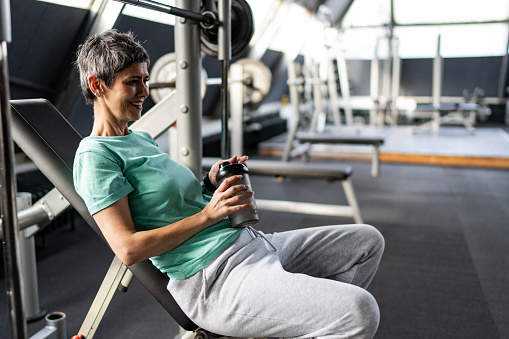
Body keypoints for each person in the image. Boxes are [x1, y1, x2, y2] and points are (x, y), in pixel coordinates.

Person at [73, 29, 384, 339]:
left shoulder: (140, 137)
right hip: (214, 277)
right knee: (359, 311)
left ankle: (302, 322)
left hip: (253, 243)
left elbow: (172, 202)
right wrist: (210, 214)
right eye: (132, 82)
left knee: (366, 242)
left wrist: (209, 183)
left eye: (145, 79)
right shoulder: (96, 157)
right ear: (97, 85)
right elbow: (128, 249)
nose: (144, 91)